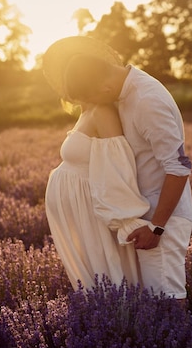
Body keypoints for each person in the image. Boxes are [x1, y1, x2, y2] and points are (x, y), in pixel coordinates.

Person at [43, 36, 192, 302]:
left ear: (104, 87)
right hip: (145, 216)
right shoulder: (127, 90)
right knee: (154, 299)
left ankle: (182, 344)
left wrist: (157, 226)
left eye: (89, 98)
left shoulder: (147, 99)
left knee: (167, 298)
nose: (89, 106)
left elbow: (179, 167)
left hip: (161, 216)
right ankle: (164, 343)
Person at [44, 46, 151, 292]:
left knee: (108, 271)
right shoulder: (87, 110)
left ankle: (120, 322)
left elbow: (118, 167)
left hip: (91, 208)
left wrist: (127, 220)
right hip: (80, 208)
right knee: (96, 273)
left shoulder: (103, 112)